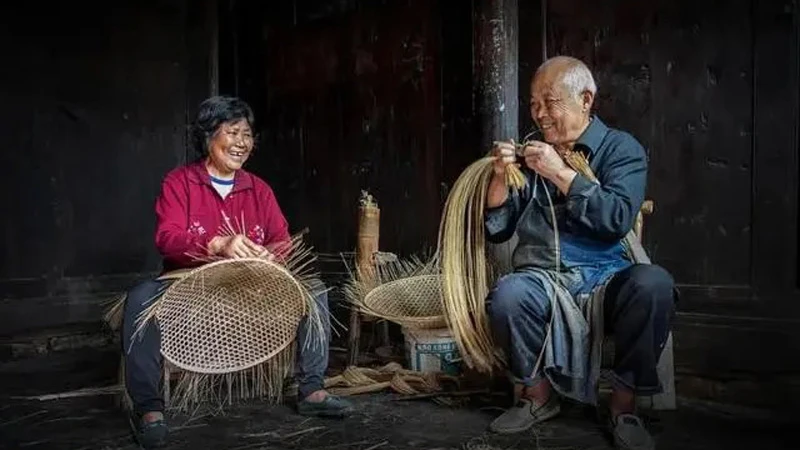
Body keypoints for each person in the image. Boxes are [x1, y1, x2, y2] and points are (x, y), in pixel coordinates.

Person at [122, 96, 353, 449]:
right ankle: (149, 408)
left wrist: (267, 255)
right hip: (189, 287)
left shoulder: (258, 189)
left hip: (251, 290)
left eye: (247, 134)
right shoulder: (180, 183)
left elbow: (281, 242)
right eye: (233, 133)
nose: (242, 143)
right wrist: (216, 244)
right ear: (208, 137)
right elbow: (167, 239)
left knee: (316, 291)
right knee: (140, 298)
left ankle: (312, 391)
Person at [484, 56, 676, 450]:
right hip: (544, 279)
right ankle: (537, 396)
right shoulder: (530, 154)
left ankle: (624, 406)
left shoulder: (620, 149)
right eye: (533, 104)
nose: (538, 114)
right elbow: (499, 229)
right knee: (507, 295)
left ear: (586, 99)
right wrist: (501, 179)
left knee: (653, 284)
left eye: (549, 101)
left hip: (607, 280)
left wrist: (559, 172)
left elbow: (617, 218)